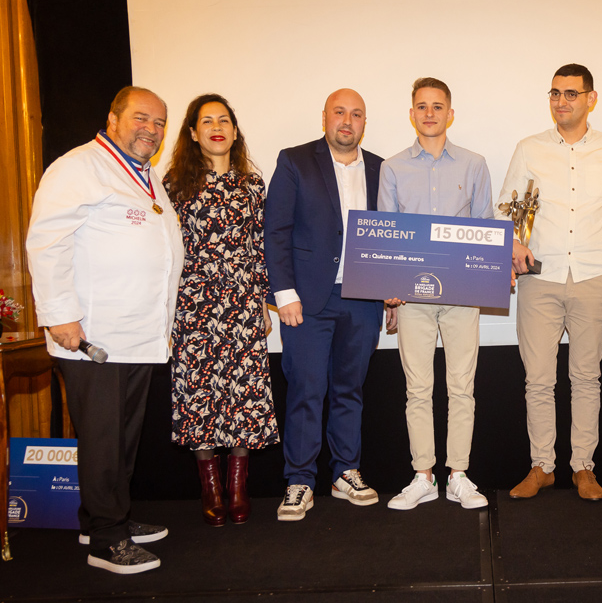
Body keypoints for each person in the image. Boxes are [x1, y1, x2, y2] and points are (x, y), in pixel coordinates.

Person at [26, 86, 184, 573]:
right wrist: (59, 315)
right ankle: (107, 542)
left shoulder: (144, 175)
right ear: (113, 118)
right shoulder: (77, 167)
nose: (151, 130)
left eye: (159, 123)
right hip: (92, 335)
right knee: (102, 438)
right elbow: (46, 243)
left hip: (135, 334)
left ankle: (101, 518)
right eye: (141, 118)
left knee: (120, 438)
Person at [498, 63, 602, 502]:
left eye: (571, 94)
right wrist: (513, 244)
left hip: (596, 279)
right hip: (539, 279)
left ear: (590, 99)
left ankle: (583, 467)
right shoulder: (529, 148)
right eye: (555, 93)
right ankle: (542, 466)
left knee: (586, 378)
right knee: (538, 380)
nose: (562, 101)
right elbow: (505, 209)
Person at [266, 88, 392, 521]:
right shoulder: (294, 160)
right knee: (306, 389)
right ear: (325, 117)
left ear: (364, 123)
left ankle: (345, 472)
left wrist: (391, 288)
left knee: (349, 389)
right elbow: (276, 231)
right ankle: (300, 480)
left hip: (363, 299)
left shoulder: (381, 168)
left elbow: (394, 235)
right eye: (339, 112)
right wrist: (283, 294)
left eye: (356, 114)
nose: (347, 120)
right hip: (307, 300)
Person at [164, 94, 280, 527]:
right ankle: (210, 489)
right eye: (206, 121)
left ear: (235, 131)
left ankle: (237, 488)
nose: (217, 126)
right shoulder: (174, 184)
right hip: (193, 305)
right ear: (193, 133)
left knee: (243, 396)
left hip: (243, 303)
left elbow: (258, 248)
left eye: (224, 120)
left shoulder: (252, 184)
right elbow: (166, 252)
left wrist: (264, 301)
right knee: (200, 397)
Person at [380, 77, 492, 511]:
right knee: (418, 389)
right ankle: (423, 476)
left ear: (450, 114)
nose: (430, 113)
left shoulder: (474, 164)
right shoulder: (392, 168)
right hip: (413, 300)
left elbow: (486, 228)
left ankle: (459, 475)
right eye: (422, 106)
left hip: (462, 297)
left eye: (437, 105)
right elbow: (387, 234)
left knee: (462, 387)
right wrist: (387, 288)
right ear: (412, 114)